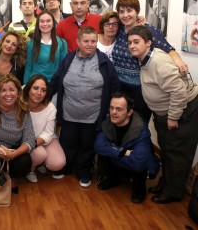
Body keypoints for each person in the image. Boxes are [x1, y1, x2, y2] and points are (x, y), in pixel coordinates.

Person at [127, 26, 198, 204]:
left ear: (148, 43)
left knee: (176, 154)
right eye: (129, 43)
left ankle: (173, 192)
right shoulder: (145, 58)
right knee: (167, 151)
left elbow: (178, 91)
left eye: (136, 42)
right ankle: (166, 183)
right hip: (166, 112)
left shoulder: (159, 62)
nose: (132, 46)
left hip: (183, 111)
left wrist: (173, 117)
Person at [49, 26, 119, 187]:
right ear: (78, 42)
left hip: (93, 116)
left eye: (93, 41)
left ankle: (84, 171)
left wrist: (111, 109)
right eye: (86, 41)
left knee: (87, 146)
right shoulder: (68, 59)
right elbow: (56, 80)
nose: (90, 44)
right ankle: (65, 167)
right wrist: (42, 99)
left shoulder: (104, 62)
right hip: (68, 114)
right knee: (68, 143)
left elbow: (114, 86)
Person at [112, 0, 188, 123]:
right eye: (121, 11)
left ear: (137, 11)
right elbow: (103, 21)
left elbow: (168, 49)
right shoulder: (118, 30)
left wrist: (179, 61)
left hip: (140, 89)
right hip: (120, 86)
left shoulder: (149, 30)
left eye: (129, 10)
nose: (125, 15)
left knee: (138, 125)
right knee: (120, 122)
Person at [94, 92, 160, 204]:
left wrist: (113, 151)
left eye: (119, 109)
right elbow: (98, 146)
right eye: (112, 108)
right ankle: (114, 178)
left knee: (140, 163)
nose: (113, 112)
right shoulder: (107, 123)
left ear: (129, 112)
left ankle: (139, 190)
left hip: (137, 166)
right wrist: (123, 151)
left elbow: (138, 162)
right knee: (103, 152)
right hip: (126, 159)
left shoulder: (141, 130)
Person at [22, 75, 66, 183]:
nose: (39, 93)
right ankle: (30, 170)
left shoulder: (50, 107)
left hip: (43, 138)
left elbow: (48, 133)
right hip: (25, 139)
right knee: (40, 154)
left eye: (43, 90)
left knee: (58, 163)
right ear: (28, 88)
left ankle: (39, 163)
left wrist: (34, 143)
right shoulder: (19, 101)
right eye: (35, 88)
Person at [24, 11, 68, 83]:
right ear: (38, 24)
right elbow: (28, 67)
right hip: (34, 85)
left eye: (48, 21)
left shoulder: (62, 43)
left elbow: (63, 67)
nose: (45, 24)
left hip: (53, 85)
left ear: (53, 23)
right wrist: (25, 86)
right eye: (42, 21)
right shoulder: (31, 44)